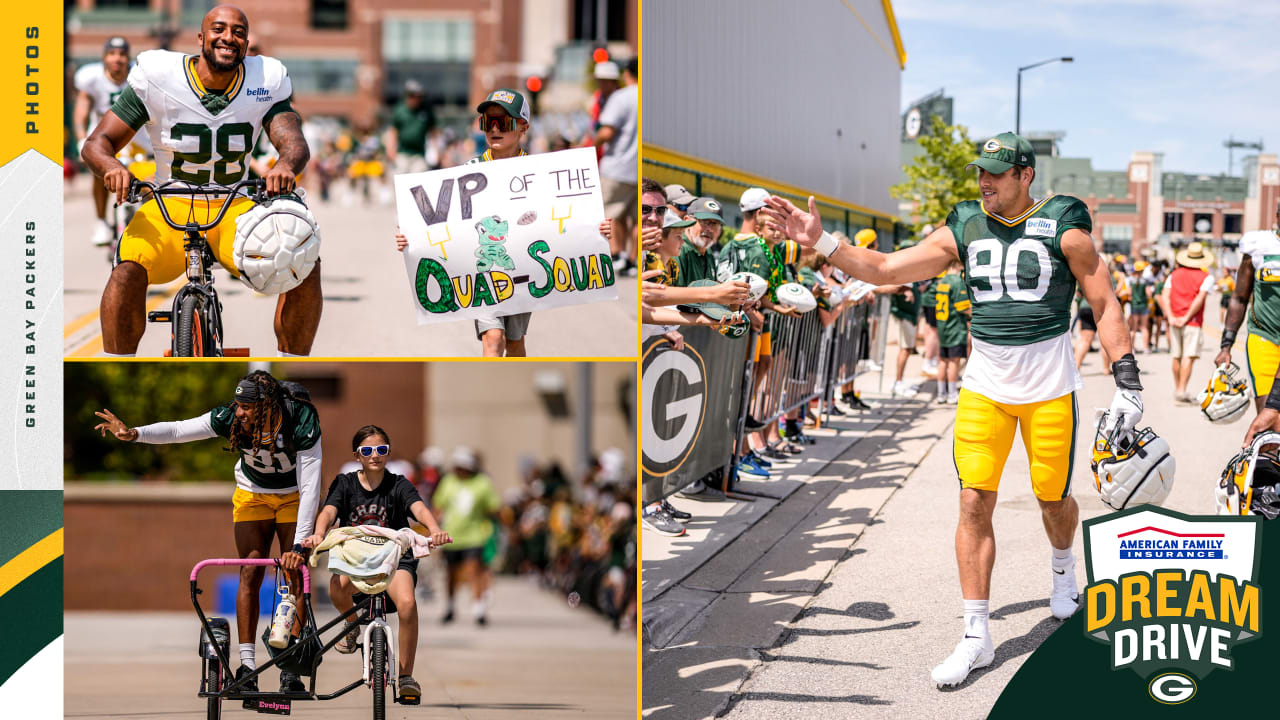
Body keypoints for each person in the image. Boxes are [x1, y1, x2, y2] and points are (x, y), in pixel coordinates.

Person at [764, 131, 1141, 688]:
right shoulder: (964, 224)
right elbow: (889, 268)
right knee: (972, 501)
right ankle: (976, 635)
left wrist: (1127, 382)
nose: (984, 181)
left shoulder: (1065, 224)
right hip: (985, 385)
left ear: (1024, 175)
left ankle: (1064, 570)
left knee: (1053, 497)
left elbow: (1103, 300)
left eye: (995, 172)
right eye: (980, 172)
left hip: (1049, 386)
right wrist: (824, 243)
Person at [81, 6, 319, 357]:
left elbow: (293, 141)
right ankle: (118, 360)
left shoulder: (264, 79)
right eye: (219, 29)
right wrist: (112, 168)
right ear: (201, 37)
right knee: (127, 268)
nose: (228, 37)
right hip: (170, 201)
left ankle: (291, 360)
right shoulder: (159, 76)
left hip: (235, 205)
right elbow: (96, 144)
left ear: (247, 41)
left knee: (303, 259)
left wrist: (284, 165)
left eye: (238, 32)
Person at [93, 369, 321, 694]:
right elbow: (178, 429)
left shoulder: (300, 417)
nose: (239, 411)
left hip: (294, 495)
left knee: (294, 573)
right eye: (238, 404)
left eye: (247, 406)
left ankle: (290, 668)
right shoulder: (230, 417)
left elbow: (311, 485)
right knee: (250, 571)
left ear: (269, 405)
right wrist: (134, 434)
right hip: (253, 492)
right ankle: (247, 666)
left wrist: (299, 544)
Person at [298, 425, 451, 705]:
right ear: (357, 455)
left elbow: (418, 507)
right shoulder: (345, 483)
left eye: (381, 450)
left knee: (407, 604)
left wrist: (434, 528)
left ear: (388, 453)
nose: (374, 456)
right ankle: (353, 624)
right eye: (367, 450)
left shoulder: (399, 484)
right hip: (356, 557)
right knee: (336, 588)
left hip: (393, 556)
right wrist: (320, 532)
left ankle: (406, 676)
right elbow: (329, 511)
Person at [395, 88, 532, 357]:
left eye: (502, 122)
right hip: (481, 269)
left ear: (522, 127)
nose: (494, 129)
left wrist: (596, 230)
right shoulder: (468, 171)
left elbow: (563, 219)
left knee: (516, 344)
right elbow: (441, 218)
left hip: (521, 269)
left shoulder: (540, 170)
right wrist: (411, 235)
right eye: (487, 122)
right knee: (493, 339)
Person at [73, 36, 153, 248]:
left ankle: (152, 221)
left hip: (139, 139)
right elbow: (82, 109)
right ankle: (100, 221)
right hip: (104, 138)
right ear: (104, 58)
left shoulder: (139, 77)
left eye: (121, 54)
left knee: (153, 180)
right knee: (100, 170)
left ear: (128, 58)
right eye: (112, 54)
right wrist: (81, 137)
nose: (117, 59)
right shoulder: (91, 78)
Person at [1218, 205, 1280, 413]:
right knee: (1268, 413)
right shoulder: (1260, 246)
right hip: (1265, 336)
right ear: (1277, 217)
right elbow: (1239, 298)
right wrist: (1226, 345)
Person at [433, 447, 501, 626]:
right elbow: (439, 506)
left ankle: (479, 609)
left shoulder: (482, 483)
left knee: (473, 571)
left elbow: (493, 507)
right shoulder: (448, 481)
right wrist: (433, 530)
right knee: (451, 574)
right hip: (451, 536)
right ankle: (450, 607)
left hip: (474, 535)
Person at [595, 58, 639, 276]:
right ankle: (632, 259)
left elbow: (607, 132)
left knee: (611, 213)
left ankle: (615, 255)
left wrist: (589, 146)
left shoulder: (621, 98)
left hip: (617, 167)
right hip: (638, 170)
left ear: (626, 74)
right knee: (637, 219)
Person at [1159, 241, 1216, 402]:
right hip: (1192, 321)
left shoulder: (1174, 274)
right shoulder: (1206, 277)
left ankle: (1178, 388)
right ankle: (1182, 390)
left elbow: (1165, 295)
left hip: (1174, 319)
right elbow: (1200, 299)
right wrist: (1187, 317)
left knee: (1176, 356)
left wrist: (1170, 316)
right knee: (1188, 357)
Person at [932, 259, 971, 404]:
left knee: (943, 361)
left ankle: (941, 393)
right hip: (954, 326)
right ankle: (952, 393)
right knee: (954, 362)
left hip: (943, 325)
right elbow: (963, 307)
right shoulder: (956, 281)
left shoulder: (943, 280)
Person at [385, 79, 435, 175]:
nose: (416, 99)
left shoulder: (426, 111)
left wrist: (436, 150)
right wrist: (390, 149)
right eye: (413, 96)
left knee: (419, 176)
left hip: (419, 153)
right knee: (400, 175)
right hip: (402, 152)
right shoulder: (400, 110)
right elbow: (393, 131)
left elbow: (433, 131)